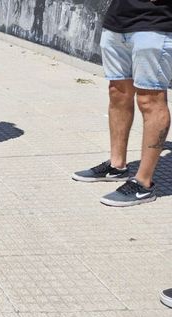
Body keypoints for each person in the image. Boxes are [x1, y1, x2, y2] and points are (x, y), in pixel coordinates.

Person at [72, 0, 172, 206]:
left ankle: (144, 184)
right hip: (118, 21)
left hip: (155, 23)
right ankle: (116, 166)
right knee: (117, 92)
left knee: (150, 99)